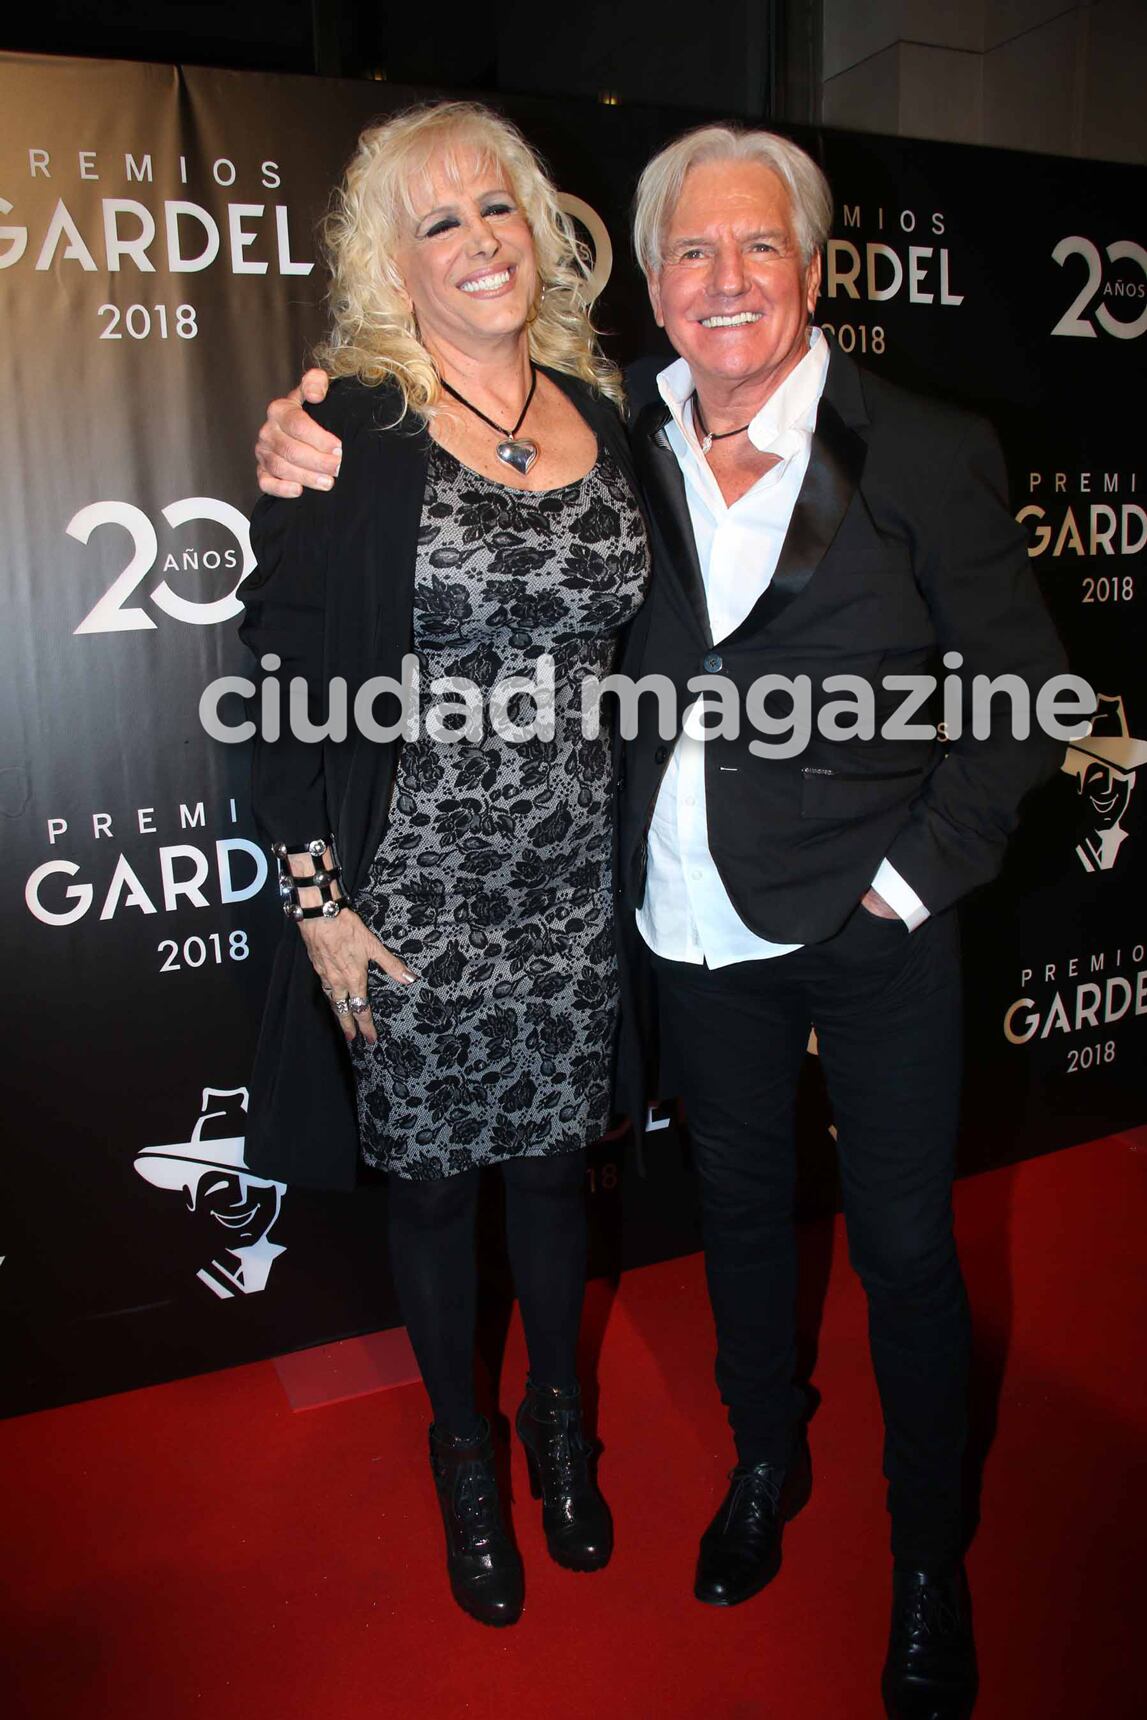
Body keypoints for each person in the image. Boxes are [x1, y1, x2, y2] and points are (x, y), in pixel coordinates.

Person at [255, 123, 1069, 1717]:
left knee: (905, 1250)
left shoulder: (893, 441)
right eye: (692, 251)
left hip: (852, 917)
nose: (723, 279)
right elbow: (320, 619)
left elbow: (1027, 698)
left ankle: (925, 1559)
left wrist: (913, 882)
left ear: (816, 268)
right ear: (649, 277)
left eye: (757, 246)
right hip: (660, 920)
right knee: (741, 1229)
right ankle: (752, 1468)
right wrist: (297, 426)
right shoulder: (614, 420)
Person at [239, 101, 649, 1629]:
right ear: (389, 262)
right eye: (440, 223)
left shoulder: (603, 408)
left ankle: (561, 1432)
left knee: (553, 1172)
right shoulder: (348, 422)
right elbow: (274, 680)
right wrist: (317, 908)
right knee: (430, 1195)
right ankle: (464, 1455)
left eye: (499, 210)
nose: (480, 242)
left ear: (537, 226)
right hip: (407, 888)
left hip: (568, 880)